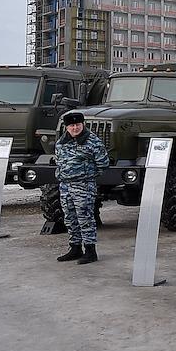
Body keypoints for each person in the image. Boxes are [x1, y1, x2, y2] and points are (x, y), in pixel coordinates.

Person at [53, 111, 110, 265]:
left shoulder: (93, 142)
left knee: (85, 219)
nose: (75, 128)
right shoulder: (61, 142)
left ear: (83, 124)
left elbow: (103, 164)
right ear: (66, 127)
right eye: (71, 125)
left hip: (83, 186)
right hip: (65, 186)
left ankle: (90, 251)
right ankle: (75, 248)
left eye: (78, 124)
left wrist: (87, 176)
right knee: (70, 218)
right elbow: (59, 161)